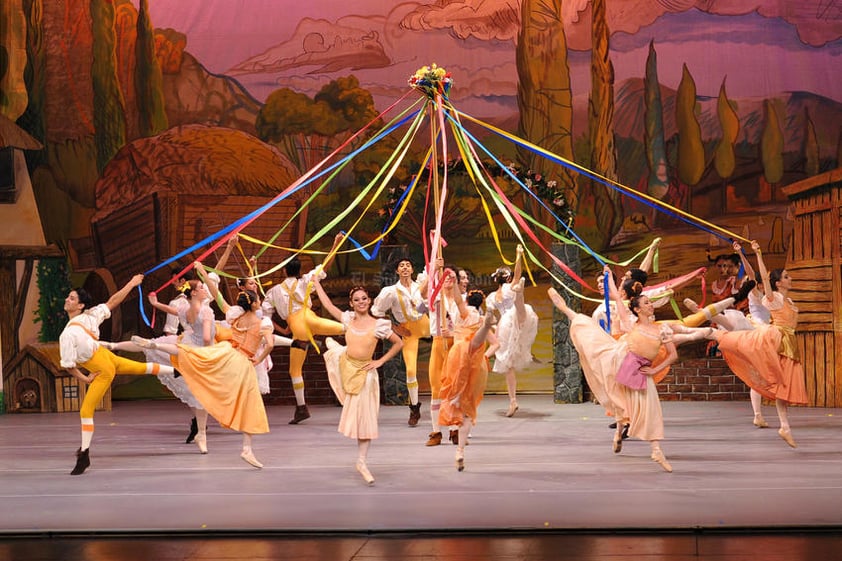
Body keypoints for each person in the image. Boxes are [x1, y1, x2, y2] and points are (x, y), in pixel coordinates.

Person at [549, 273, 684, 473]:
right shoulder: (630, 324)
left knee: (651, 410)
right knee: (592, 337)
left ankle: (655, 450)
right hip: (619, 361)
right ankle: (568, 311)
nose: (650, 305)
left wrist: (654, 369)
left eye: (650, 302)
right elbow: (617, 296)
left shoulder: (662, 330)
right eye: (646, 303)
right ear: (637, 309)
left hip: (641, 372)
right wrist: (609, 278)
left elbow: (672, 355)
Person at [133, 274, 272, 468]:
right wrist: (261, 357)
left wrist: (203, 273)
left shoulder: (234, 315)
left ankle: (155, 346)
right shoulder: (263, 323)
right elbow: (271, 344)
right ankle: (247, 448)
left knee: (189, 353)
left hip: (226, 352)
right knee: (250, 404)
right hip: (243, 362)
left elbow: (217, 296)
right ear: (256, 304)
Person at [59, 274, 175, 476]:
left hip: (103, 369)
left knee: (86, 411)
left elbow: (69, 366)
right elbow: (113, 302)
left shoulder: (68, 334)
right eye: (68, 297)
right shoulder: (91, 315)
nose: (67, 300)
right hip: (107, 358)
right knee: (142, 368)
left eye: (71, 298)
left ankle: (84, 454)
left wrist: (86, 379)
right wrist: (131, 282)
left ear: (79, 306)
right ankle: (176, 371)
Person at [707, 241, 808, 447]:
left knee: (774, 381)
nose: (790, 279)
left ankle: (776, 423)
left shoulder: (784, 300)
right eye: (786, 276)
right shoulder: (767, 296)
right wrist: (752, 253)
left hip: (781, 338)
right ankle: (712, 328)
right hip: (764, 332)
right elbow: (755, 274)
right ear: (774, 283)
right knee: (735, 334)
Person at [313, 281, 403, 486]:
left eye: (364, 299)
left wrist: (380, 361)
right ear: (351, 304)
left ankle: (361, 461)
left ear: (369, 301)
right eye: (356, 300)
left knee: (365, 419)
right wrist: (316, 283)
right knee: (356, 414)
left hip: (364, 373)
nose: (361, 302)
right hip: (347, 367)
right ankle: (333, 348)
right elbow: (328, 306)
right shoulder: (348, 319)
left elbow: (398, 343)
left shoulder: (379, 325)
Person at [262, 234, 346, 424]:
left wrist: (281, 330)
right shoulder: (306, 280)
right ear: (299, 269)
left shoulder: (274, 291)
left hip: (298, 329)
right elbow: (325, 266)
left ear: (284, 270)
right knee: (346, 328)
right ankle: (362, 332)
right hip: (311, 319)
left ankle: (301, 407)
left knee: (295, 371)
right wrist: (335, 245)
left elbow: (265, 317)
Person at [438, 287, 498, 471]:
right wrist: (485, 357)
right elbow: (496, 344)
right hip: (477, 363)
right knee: (467, 409)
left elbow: (457, 300)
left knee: (468, 347)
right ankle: (460, 450)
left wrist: (454, 283)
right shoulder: (476, 317)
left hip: (460, 359)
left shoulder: (463, 314)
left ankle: (484, 329)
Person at [371, 257, 429, 426]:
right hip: (408, 330)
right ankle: (414, 407)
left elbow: (431, 269)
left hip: (425, 324)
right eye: (401, 266)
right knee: (411, 370)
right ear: (397, 271)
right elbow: (377, 311)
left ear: (412, 269)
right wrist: (395, 327)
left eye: (408, 265)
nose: (405, 268)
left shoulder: (421, 286)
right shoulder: (390, 291)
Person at [485, 245, 538, 417]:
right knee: (521, 310)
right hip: (509, 321)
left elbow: (490, 319)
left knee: (508, 365)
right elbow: (517, 273)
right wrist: (518, 255)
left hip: (505, 324)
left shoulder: (492, 297)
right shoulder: (500, 292)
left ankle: (513, 400)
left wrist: (494, 328)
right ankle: (520, 293)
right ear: (507, 279)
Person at [423, 259, 459, 446]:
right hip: (438, 343)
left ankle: (455, 430)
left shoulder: (462, 301)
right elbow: (420, 295)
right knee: (436, 388)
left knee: (454, 389)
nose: (448, 279)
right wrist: (433, 271)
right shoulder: (435, 297)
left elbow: (470, 327)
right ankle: (436, 432)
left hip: (456, 345)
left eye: (452, 276)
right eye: (445, 276)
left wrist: (453, 332)